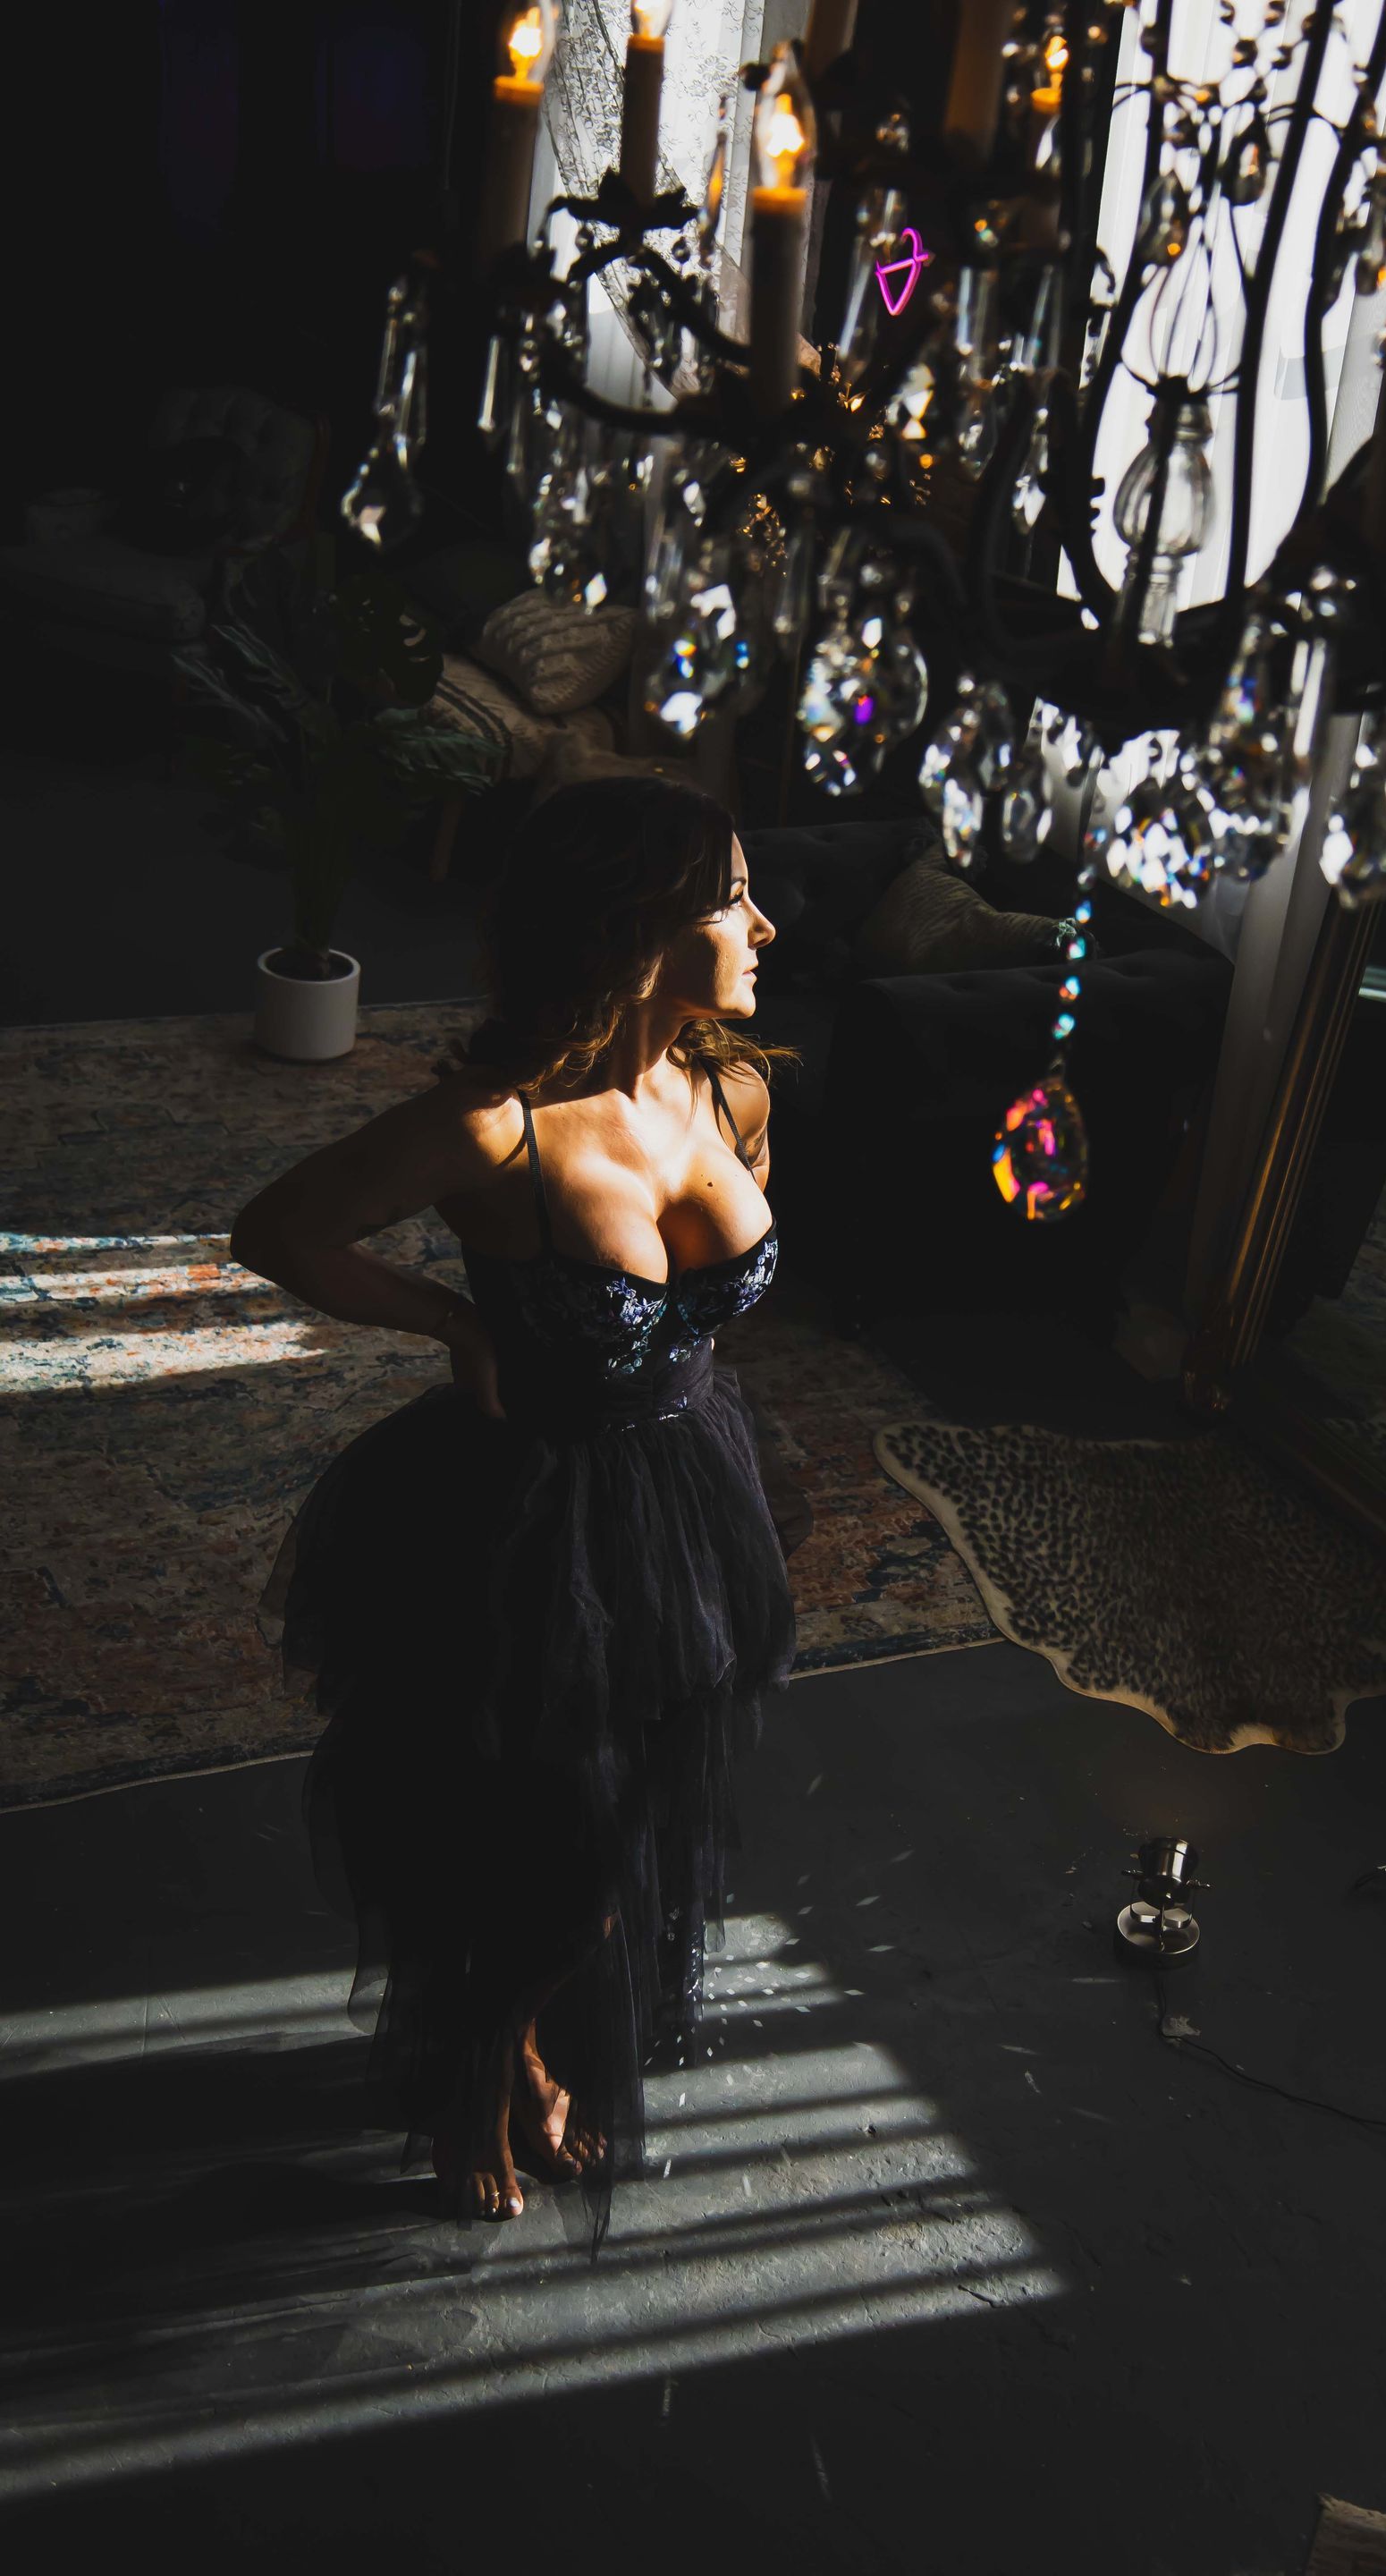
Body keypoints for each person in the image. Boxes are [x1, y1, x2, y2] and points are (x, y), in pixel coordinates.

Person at [232, 776, 807, 2253]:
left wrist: (687, 1411)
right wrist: (454, 1323)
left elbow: (712, 1305)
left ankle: (520, 2042)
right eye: (726, 897)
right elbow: (279, 1230)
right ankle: (481, 2067)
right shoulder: (493, 1130)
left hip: (682, 1498)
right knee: (535, 1842)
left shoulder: (732, 1087)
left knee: (620, 1838)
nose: (760, 923)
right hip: (528, 1523)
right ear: (629, 928)